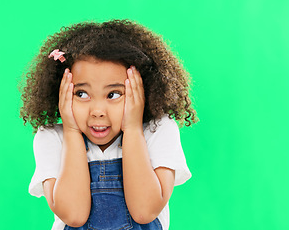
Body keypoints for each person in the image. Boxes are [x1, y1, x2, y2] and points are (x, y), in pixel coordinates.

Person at [19, 19, 198, 230]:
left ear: (141, 91)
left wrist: (132, 129)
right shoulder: (52, 138)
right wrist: (72, 131)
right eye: (81, 93)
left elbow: (144, 211)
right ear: (61, 92)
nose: (97, 111)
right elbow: (74, 216)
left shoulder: (158, 130)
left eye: (113, 94)